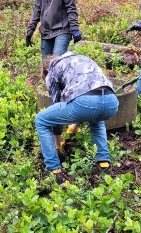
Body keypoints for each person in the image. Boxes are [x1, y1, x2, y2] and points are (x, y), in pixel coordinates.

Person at [35, 52, 119, 186]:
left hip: (86, 102)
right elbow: (87, 97)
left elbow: (56, 107)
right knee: (96, 121)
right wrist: (71, 131)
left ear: (45, 70)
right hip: (111, 102)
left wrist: (58, 145)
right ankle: (104, 165)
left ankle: (55, 171)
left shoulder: (52, 69)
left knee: (41, 120)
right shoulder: (82, 58)